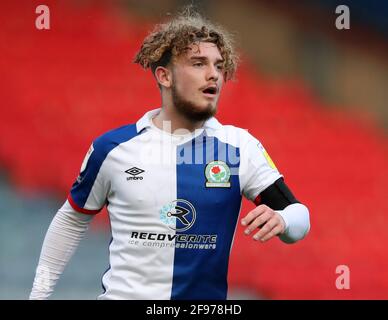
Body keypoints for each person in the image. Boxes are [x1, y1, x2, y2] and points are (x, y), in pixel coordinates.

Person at [30, 8, 310, 300]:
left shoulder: (240, 147)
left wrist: (284, 221)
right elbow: (71, 220)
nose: (213, 73)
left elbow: (299, 217)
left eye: (218, 65)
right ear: (164, 76)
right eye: (198, 63)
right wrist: (38, 294)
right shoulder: (113, 148)